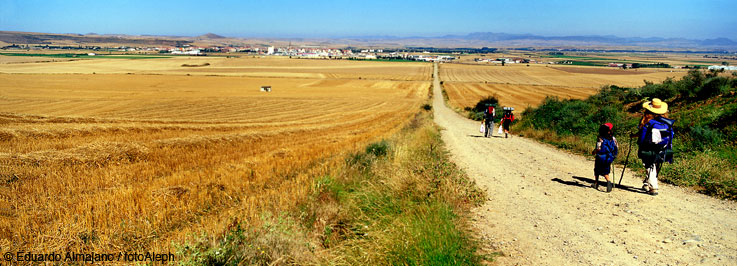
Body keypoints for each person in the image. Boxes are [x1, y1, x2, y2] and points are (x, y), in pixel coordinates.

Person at [632, 98, 675, 196]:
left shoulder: (649, 123)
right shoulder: (667, 123)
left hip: (649, 147)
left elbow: (642, 136)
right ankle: (647, 183)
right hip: (663, 147)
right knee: (656, 165)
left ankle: (653, 188)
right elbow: (671, 135)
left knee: (649, 165)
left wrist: (640, 145)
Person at [592, 123, 619, 192]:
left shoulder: (600, 138)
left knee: (597, 169)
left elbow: (598, 148)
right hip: (609, 157)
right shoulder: (613, 138)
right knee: (605, 170)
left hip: (601, 156)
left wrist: (594, 152)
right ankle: (608, 181)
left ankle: (596, 183)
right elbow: (617, 147)